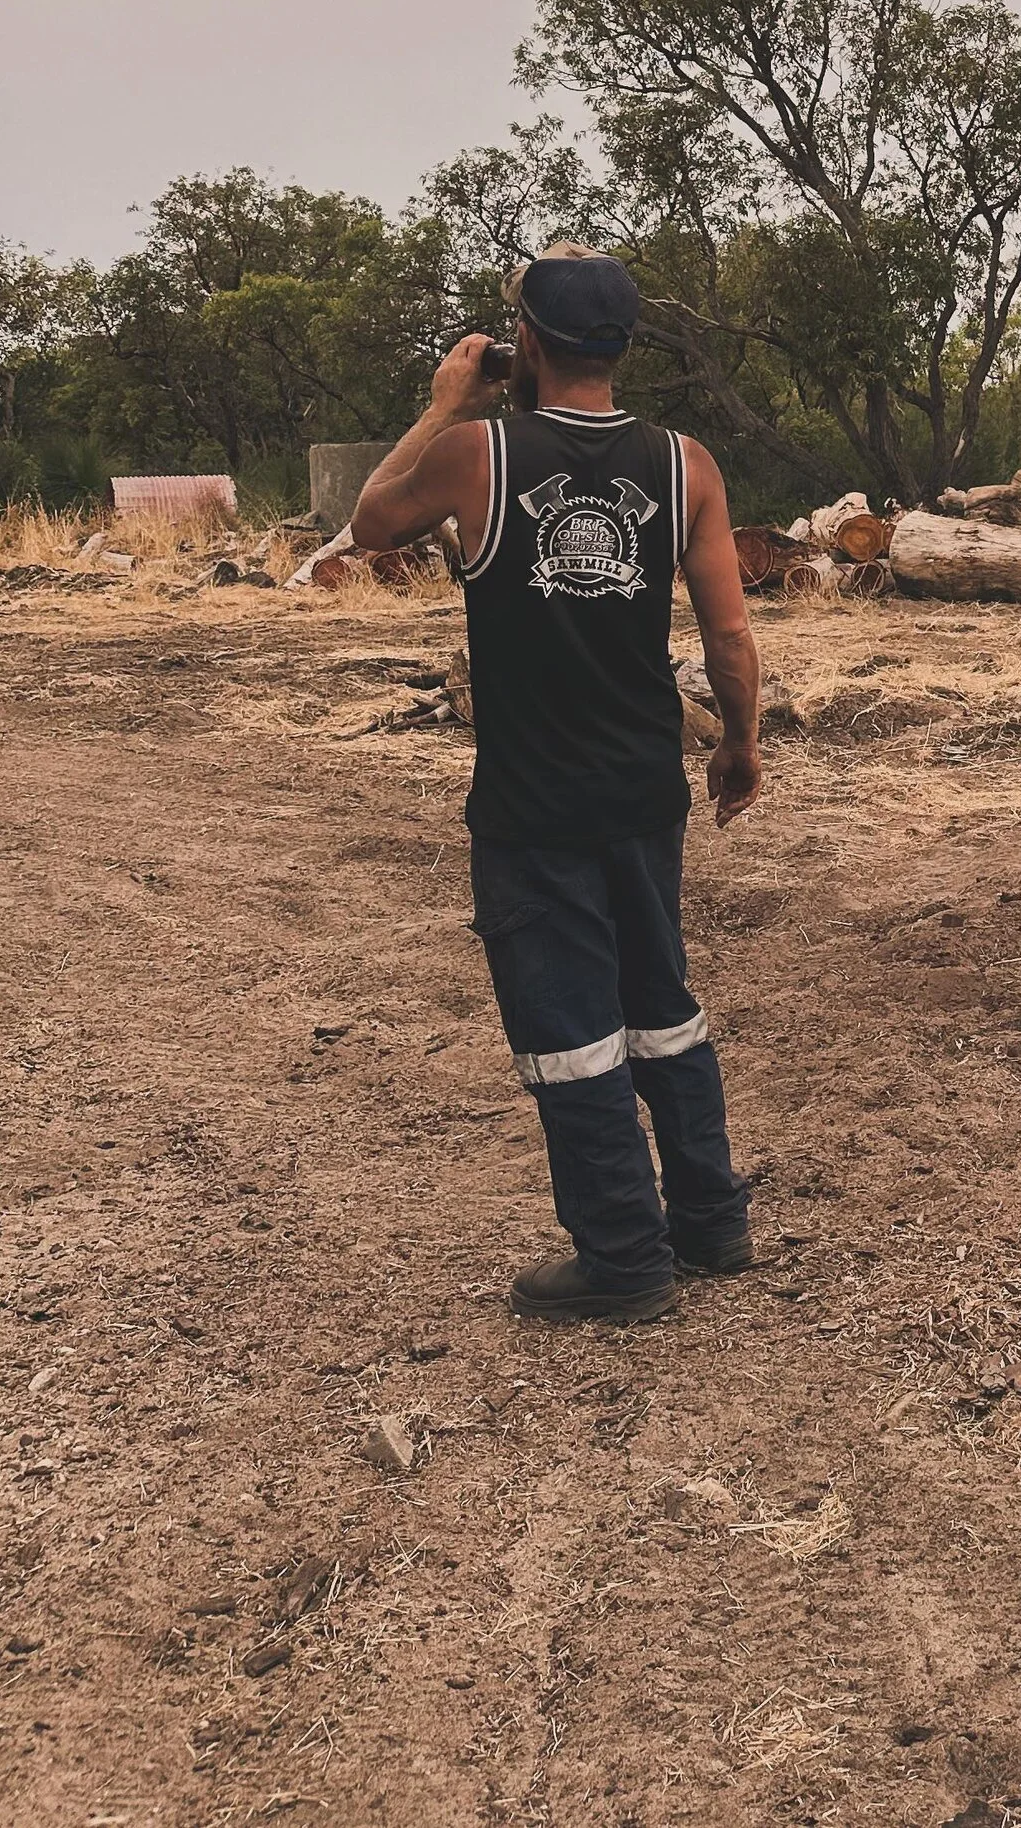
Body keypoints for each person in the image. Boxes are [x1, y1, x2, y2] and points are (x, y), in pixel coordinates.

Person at [351, 248, 762, 1324]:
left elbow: (369, 523)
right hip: (643, 789)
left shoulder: (475, 455)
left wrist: (445, 401)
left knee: (568, 1026)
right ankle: (712, 1221)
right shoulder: (686, 465)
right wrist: (740, 745)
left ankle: (625, 1256)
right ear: (622, 344)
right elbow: (726, 631)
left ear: (524, 341)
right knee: (661, 1003)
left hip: (533, 804)